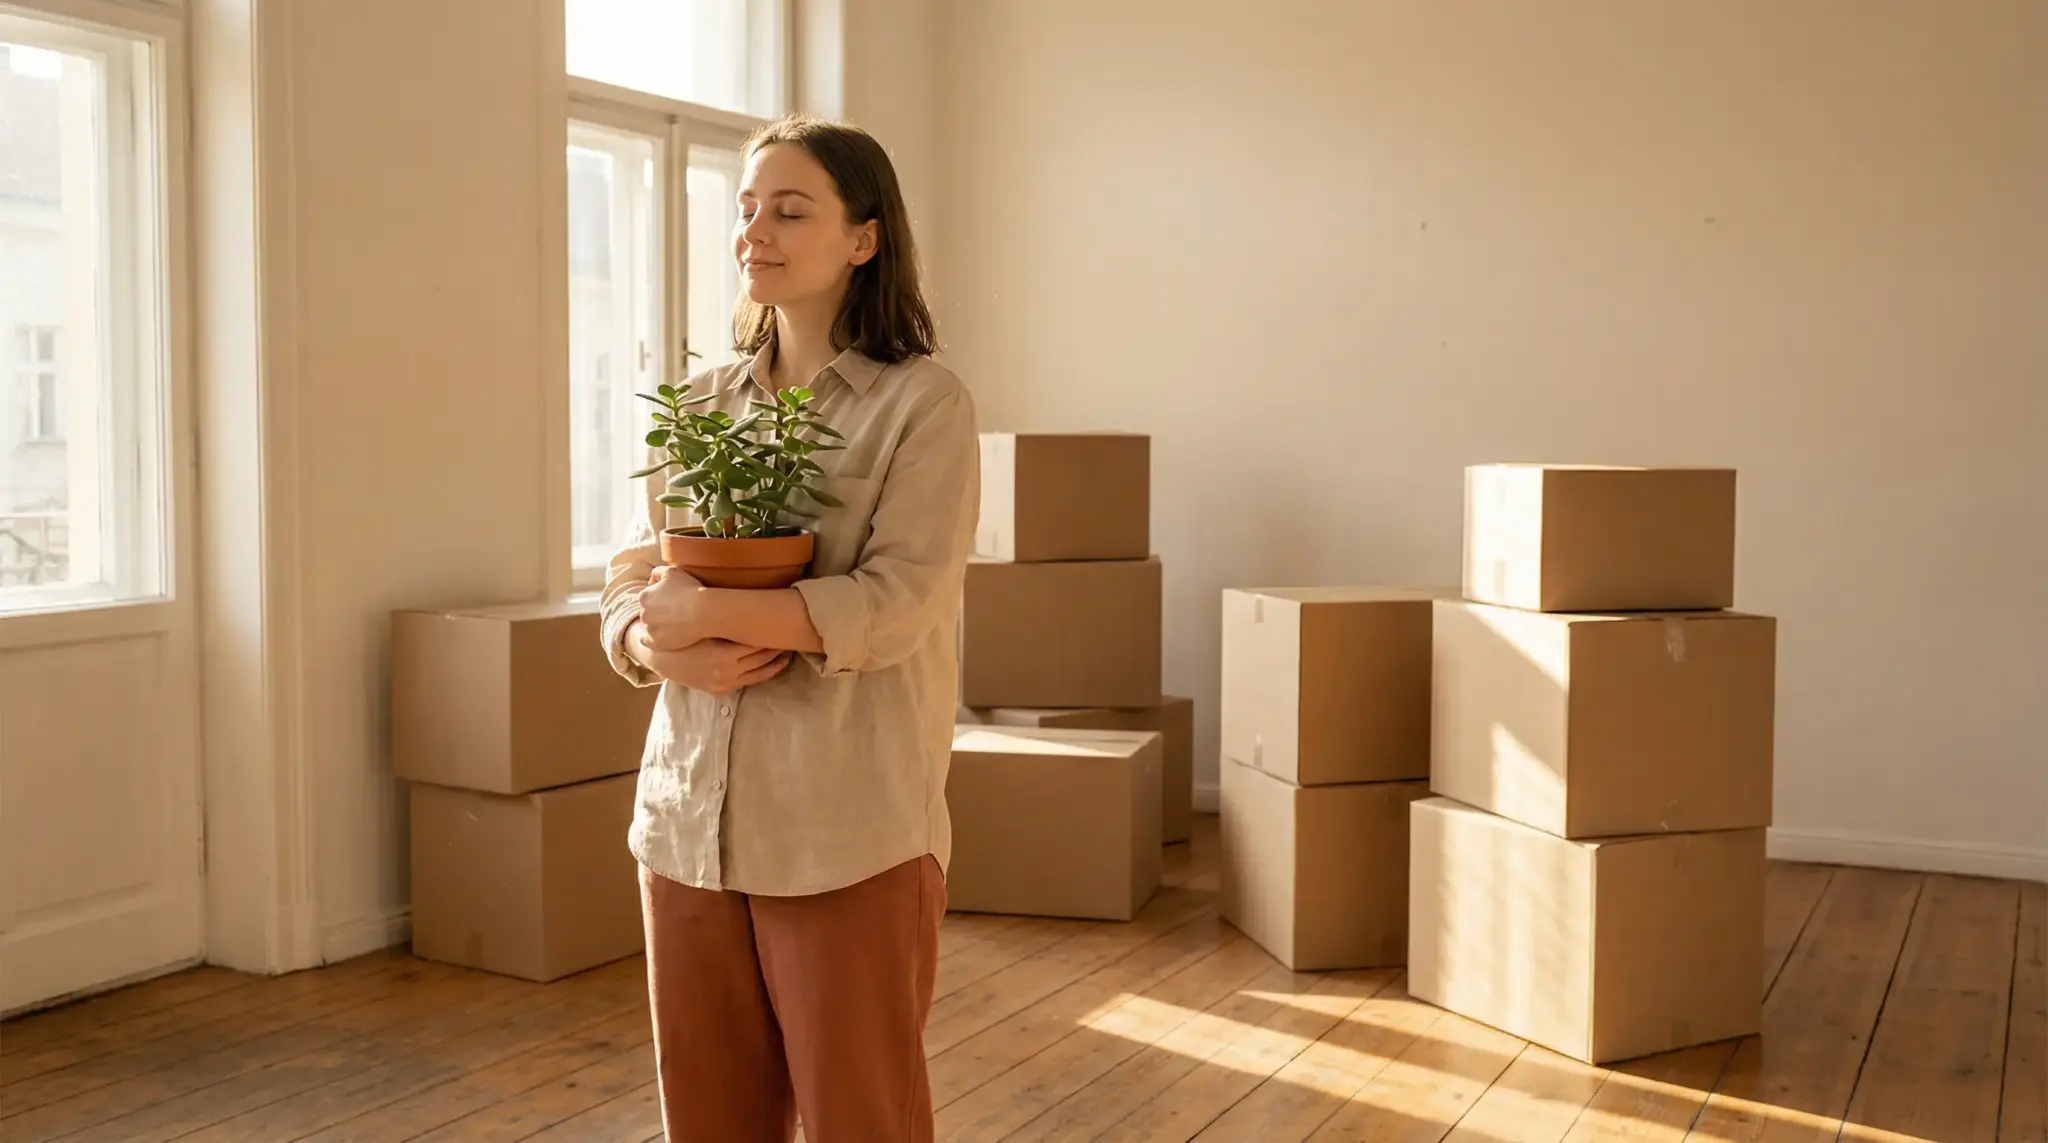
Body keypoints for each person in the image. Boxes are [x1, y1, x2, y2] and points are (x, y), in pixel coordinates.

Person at [597, 114, 978, 1142]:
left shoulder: (922, 407)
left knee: (864, 1119)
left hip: (844, 830)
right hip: (684, 824)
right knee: (711, 1123)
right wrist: (647, 640)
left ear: (863, 238)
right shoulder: (700, 405)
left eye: (790, 209)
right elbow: (632, 575)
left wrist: (710, 608)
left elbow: (897, 604)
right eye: (746, 207)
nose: (754, 230)